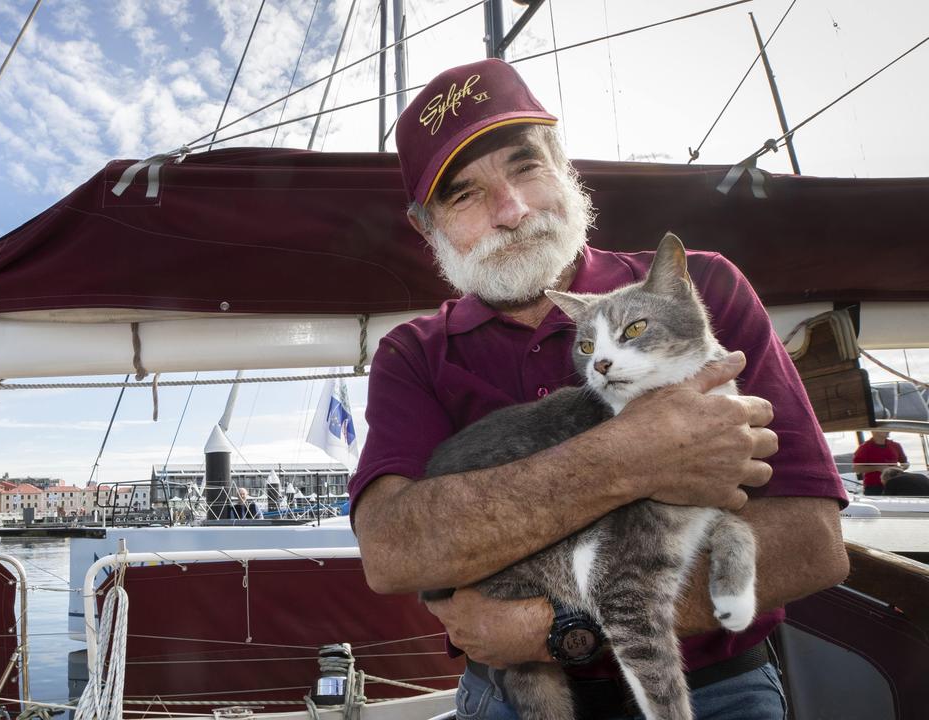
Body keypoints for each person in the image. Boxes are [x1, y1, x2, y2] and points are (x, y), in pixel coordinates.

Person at [350, 58, 849, 720]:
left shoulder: (703, 286)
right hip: (514, 699)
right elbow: (392, 551)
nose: (512, 210)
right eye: (465, 195)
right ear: (426, 227)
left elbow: (813, 545)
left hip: (717, 690)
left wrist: (548, 628)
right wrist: (638, 453)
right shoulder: (414, 355)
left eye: (525, 165)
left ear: (563, 162)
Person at [853, 431, 908, 495]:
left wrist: (901, 468)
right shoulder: (864, 447)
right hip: (874, 487)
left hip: (897, 484)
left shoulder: (896, 445)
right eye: (883, 429)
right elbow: (856, 468)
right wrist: (878, 468)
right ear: (874, 431)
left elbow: (905, 463)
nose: (888, 430)